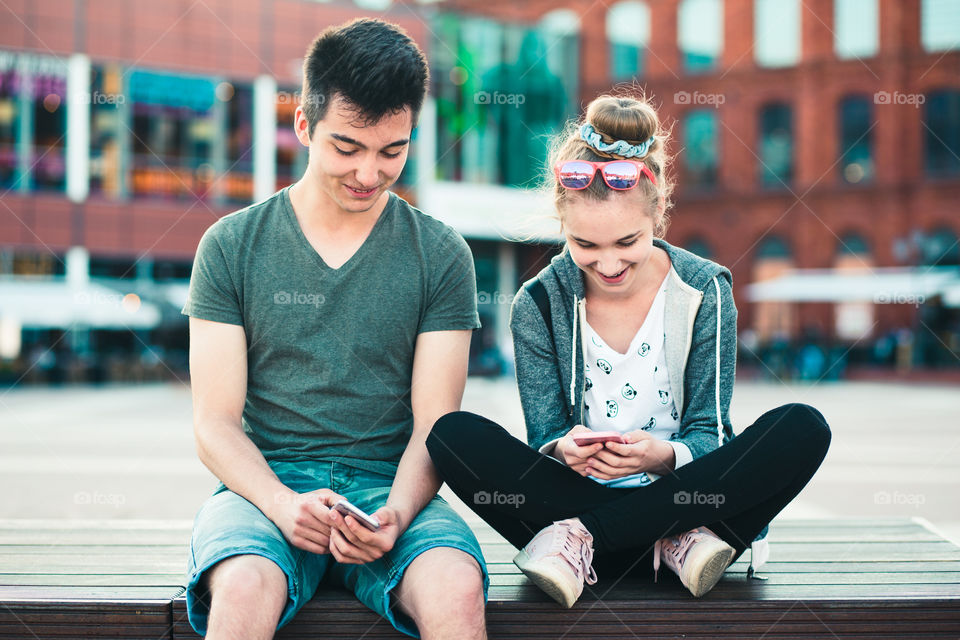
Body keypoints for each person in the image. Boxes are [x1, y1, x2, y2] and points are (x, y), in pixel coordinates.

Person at [426, 94, 831, 608]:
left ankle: (591, 538)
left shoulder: (704, 291)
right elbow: (545, 434)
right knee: (452, 436)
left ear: (658, 206)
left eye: (626, 242)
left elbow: (708, 429)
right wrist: (563, 449)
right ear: (562, 222)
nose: (608, 263)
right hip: (620, 511)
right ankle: (665, 542)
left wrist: (664, 457)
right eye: (585, 246)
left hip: (680, 505)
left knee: (803, 427)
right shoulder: (537, 304)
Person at [182, 19, 487, 639]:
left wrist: (397, 514)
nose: (369, 174)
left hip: (393, 484)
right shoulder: (231, 246)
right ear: (303, 125)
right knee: (240, 589)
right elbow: (214, 424)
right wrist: (280, 504)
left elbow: (436, 425)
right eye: (347, 147)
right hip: (267, 485)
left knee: (456, 590)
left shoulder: (442, 253)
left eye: (391, 151)